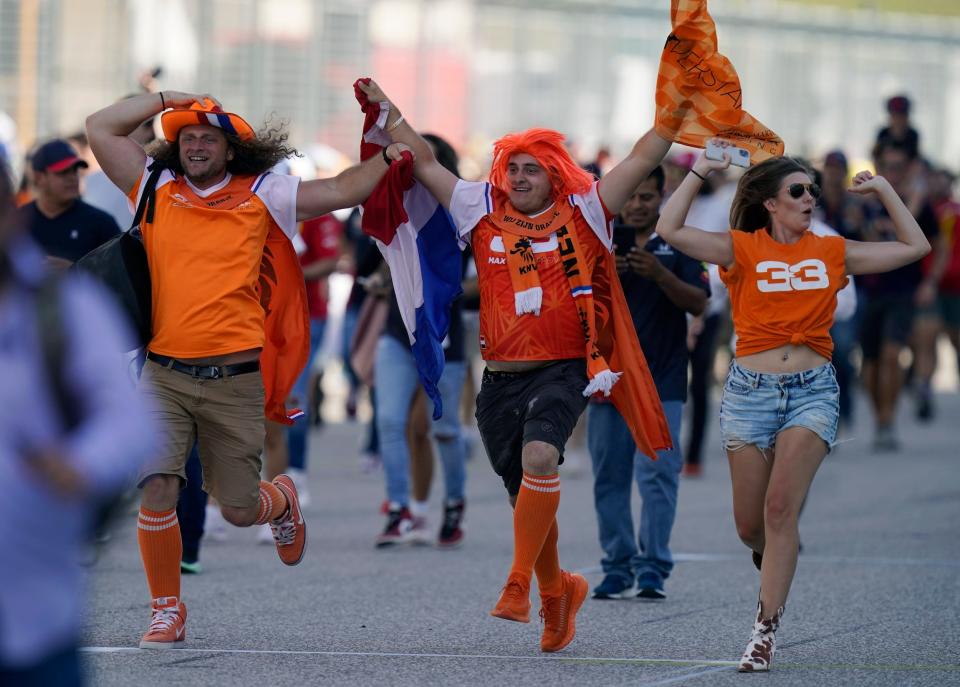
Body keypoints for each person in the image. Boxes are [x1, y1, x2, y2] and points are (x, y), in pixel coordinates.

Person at [85, 90, 411, 649]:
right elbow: (99, 128)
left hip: (234, 377)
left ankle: (280, 501)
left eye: (207, 138)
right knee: (158, 484)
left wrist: (392, 152)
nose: (195, 146)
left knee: (237, 510)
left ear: (231, 150)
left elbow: (339, 190)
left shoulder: (265, 190)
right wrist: (167, 98)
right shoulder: (154, 186)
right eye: (187, 138)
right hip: (162, 372)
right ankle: (167, 610)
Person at [356, 78, 672, 653]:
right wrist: (389, 112)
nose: (520, 178)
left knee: (540, 457)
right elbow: (425, 161)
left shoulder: (588, 208)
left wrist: (675, 116)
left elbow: (644, 156)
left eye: (532, 169)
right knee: (526, 496)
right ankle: (560, 591)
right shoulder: (479, 206)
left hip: (563, 369)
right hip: (499, 378)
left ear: (555, 175)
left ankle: (519, 583)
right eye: (513, 169)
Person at [655, 141, 930, 672]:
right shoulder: (741, 247)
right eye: (798, 191)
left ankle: (763, 631)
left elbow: (914, 247)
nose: (810, 199)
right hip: (748, 393)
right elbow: (670, 230)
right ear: (770, 204)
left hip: (812, 391)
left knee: (781, 510)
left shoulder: (832, 250)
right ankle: (773, 557)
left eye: (813, 191)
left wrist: (886, 190)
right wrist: (700, 172)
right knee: (749, 526)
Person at [0, 161, 157, 685]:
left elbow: (130, 419)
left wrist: (78, 464)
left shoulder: (62, 307)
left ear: (10, 215)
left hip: (35, 615)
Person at [588, 166, 709, 601]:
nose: (636, 205)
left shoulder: (677, 240)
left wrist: (659, 274)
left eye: (646, 197)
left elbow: (699, 303)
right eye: (630, 197)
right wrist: (606, 277)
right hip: (609, 378)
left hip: (663, 378)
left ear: (662, 197)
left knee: (658, 475)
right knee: (609, 476)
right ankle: (617, 566)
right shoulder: (600, 238)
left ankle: (654, 566)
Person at [372, 133, 469, 549]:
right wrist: (384, 279)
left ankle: (453, 504)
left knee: (440, 429)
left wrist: (443, 288)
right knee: (392, 422)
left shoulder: (464, 211)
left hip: (445, 333)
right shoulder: (396, 204)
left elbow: (488, 276)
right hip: (398, 331)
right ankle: (400, 509)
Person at [858, 144, 940, 449]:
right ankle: (880, 415)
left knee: (893, 356)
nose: (891, 171)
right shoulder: (868, 199)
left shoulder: (919, 204)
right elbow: (860, 236)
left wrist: (930, 281)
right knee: (869, 366)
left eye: (897, 166)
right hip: (871, 290)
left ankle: (887, 420)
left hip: (904, 289)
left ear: (906, 169)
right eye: (887, 165)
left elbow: (937, 244)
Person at [18, 139, 120, 269]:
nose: (73, 177)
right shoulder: (17, 223)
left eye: (75, 170)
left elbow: (119, 273)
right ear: (39, 177)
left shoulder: (100, 222)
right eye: (63, 172)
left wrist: (75, 271)